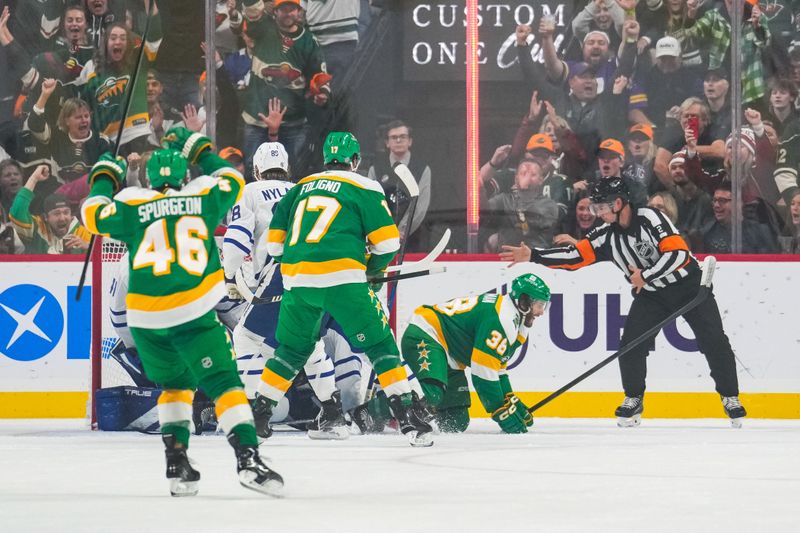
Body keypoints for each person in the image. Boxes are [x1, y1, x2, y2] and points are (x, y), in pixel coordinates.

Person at [80, 126, 283, 497]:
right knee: (225, 384)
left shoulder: (132, 202)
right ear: (184, 176)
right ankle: (248, 459)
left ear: (149, 177)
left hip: (144, 320)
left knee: (175, 387)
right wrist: (200, 149)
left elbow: (92, 214)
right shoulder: (200, 196)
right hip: (192, 311)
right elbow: (233, 180)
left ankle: (177, 463)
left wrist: (103, 175)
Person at [500, 178, 747, 427]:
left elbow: (679, 254)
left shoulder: (650, 218)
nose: (597, 213)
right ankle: (633, 398)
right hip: (652, 294)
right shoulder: (605, 235)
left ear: (618, 203)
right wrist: (534, 255)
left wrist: (646, 275)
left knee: (714, 341)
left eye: (601, 207)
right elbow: (575, 256)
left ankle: (730, 397)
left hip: (690, 288)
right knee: (630, 345)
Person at [255, 131, 434, 447]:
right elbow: (389, 242)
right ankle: (408, 417)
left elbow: (275, 246)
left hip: (297, 281)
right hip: (344, 281)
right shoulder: (364, 186)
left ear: (325, 159)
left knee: (293, 350)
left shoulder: (298, 189)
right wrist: (371, 268)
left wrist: (304, 265)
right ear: (355, 161)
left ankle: (258, 415)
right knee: (379, 345)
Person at [222, 141, 349, 440]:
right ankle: (333, 414)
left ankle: (254, 413)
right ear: (288, 168)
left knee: (246, 337)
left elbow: (237, 238)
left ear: (256, 170)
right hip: (318, 276)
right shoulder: (303, 189)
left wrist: (230, 276)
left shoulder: (249, 191)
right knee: (306, 343)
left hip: (279, 275)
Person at [397, 274, 551, 434]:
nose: (541, 312)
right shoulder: (502, 318)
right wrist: (500, 410)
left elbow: (497, 368)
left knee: (456, 421)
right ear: (524, 302)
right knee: (433, 394)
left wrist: (510, 399)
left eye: (544, 306)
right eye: (539, 305)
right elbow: (482, 372)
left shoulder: (515, 321)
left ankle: (414, 409)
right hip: (426, 334)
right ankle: (377, 411)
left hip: (450, 354)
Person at [367, 120, 431, 251]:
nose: (398, 140)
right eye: (394, 137)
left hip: (412, 240)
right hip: (380, 240)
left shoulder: (423, 169)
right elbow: (371, 204)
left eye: (403, 137)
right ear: (387, 143)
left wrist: (401, 230)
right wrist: (385, 232)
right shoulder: (376, 169)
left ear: (410, 141)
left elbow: (420, 207)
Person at [9, 165, 91, 254]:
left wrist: (89, 247)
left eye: (66, 212)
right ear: (46, 217)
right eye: (57, 213)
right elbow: (17, 213)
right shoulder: (37, 228)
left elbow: (106, 256)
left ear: (71, 215)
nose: (62, 218)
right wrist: (34, 178)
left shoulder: (81, 233)